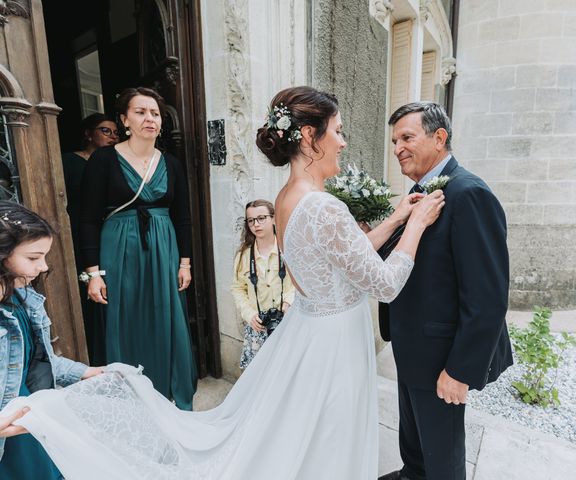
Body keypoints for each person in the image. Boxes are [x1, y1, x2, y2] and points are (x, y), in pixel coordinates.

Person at [0, 86, 444, 479]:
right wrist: (418, 225)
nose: (343, 141)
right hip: (332, 337)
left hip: (312, 327)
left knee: (304, 429)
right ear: (310, 137)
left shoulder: (288, 199)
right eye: (338, 130)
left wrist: (398, 216)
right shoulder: (325, 206)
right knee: (329, 431)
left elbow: (349, 253)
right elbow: (384, 283)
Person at [377, 102, 513, 480]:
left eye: (407, 137)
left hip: (443, 358)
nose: (398, 147)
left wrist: (459, 370)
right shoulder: (417, 194)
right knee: (415, 441)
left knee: (443, 456)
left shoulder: (469, 194)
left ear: (440, 138)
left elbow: (487, 297)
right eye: (394, 141)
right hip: (411, 346)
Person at [78, 87, 197, 410]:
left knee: (166, 314)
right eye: (141, 112)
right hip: (118, 248)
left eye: (155, 113)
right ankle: (131, 400)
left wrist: (184, 263)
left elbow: (183, 217)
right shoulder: (104, 159)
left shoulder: (171, 163)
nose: (149, 119)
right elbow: (86, 218)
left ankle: (169, 394)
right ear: (124, 119)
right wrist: (93, 274)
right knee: (125, 316)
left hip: (163, 246)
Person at [0, 200, 103, 479]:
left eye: (45, 257)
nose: (44, 267)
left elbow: (38, 361)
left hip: (30, 417)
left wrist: (86, 372)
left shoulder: (24, 300)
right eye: (34, 258)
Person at [62, 113, 119, 365]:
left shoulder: (115, 164)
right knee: (87, 287)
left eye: (115, 132)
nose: (112, 136)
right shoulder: (69, 162)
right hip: (77, 233)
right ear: (88, 133)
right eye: (105, 130)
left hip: (111, 235)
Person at [231, 199, 295, 369]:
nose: (256, 224)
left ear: (274, 219)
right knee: (259, 377)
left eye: (261, 218)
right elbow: (238, 289)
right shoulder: (243, 255)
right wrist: (249, 314)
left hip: (289, 322)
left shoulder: (288, 248)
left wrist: (289, 302)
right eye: (251, 220)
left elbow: (301, 280)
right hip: (258, 327)